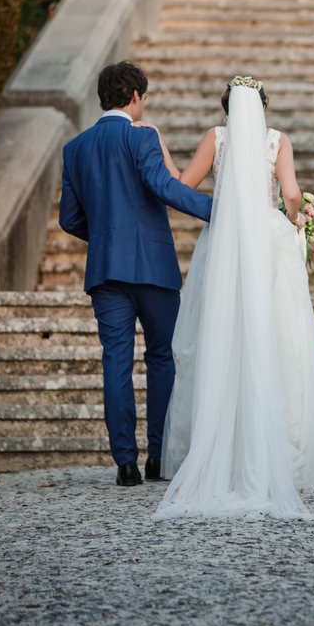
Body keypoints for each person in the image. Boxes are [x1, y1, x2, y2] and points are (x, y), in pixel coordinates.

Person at [140, 76, 314, 520]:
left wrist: (159, 144)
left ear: (227, 107)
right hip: (268, 241)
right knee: (277, 337)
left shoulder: (216, 138)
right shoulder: (277, 141)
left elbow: (182, 184)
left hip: (224, 241)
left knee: (221, 334)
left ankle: (218, 449)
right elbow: (291, 194)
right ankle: (276, 449)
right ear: (263, 106)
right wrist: (295, 215)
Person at [58, 61, 214, 487]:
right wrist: (219, 209)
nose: (144, 105)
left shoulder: (74, 148)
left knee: (116, 361)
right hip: (153, 267)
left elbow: (69, 219)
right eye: (144, 98)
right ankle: (158, 458)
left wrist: (106, 236)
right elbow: (164, 186)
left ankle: (125, 464)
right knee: (162, 358)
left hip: (105, 271)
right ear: (134, 97)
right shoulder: (141, 136)